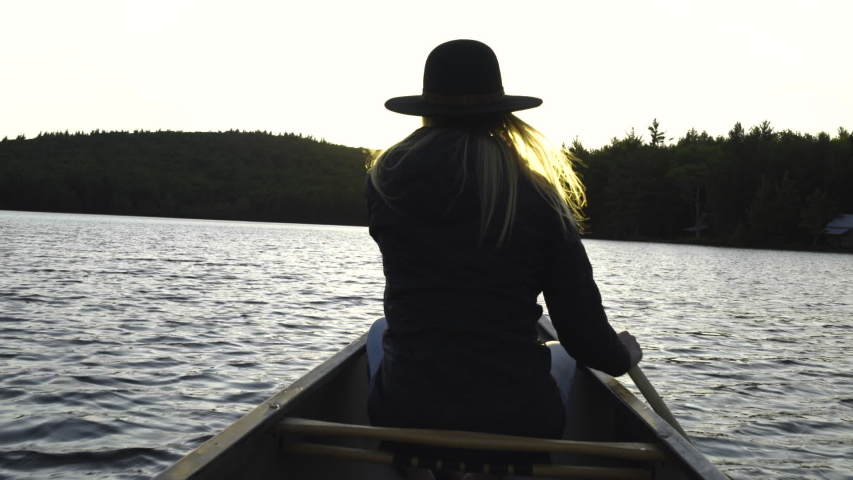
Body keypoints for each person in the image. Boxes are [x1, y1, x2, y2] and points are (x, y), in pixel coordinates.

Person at [364, 39, 643, 461]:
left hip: (404, 412)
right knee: (563, 358)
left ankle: (423, 466)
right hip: (517, 419)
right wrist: (622, 356)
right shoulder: (536, 192)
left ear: (426, 109)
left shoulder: (386, 183)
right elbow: (583, 336)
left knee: (380, 331)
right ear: (501, 113)